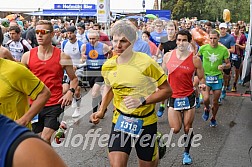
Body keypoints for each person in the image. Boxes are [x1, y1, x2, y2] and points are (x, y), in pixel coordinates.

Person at [90, 20, 172, 167]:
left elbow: (167, 91)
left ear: (133, 42)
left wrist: (142, 100)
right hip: (121, 121)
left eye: (123, 41)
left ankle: (157, 147)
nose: (118, 45)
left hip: (146, 122)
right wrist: (101, 110)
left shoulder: (146, 63)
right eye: (115, 41)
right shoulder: (109, 66)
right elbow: (109, 88)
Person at [21, 20, 78, 144]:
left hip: (55, 103)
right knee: (38, 142)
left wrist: (70, 92)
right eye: (37, 32)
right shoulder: (27, 56)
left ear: (52, 34)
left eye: (43, 32)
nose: (39, 35)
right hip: (34, 105)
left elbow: (74, 79)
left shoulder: (63, 57)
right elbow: (21, 82)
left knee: (45, 139)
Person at [163, 29, 206, 165]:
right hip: (173, 96)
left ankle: (186, 153)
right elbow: (162, 75)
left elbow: (201, 77)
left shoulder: (195, 59)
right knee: (175, 129)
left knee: (187, 128)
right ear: (176, 41)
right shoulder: (168, 56)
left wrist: (202, 85)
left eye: (184, 40)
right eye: (179, 40)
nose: (181, 43)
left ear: (189, 42)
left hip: (188, 96)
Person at [0, 114, 67, 167]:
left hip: (54, 105)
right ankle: (59, 127)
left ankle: (59, 130)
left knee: (44, 139)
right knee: (40, 137)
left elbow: (43, 95)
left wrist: (24, 120)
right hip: (37, 113)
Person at [199, 30, 231, 127]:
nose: (212, 41)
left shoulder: (223, 50)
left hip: (217, 78)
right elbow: (195, 59)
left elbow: (229, 64)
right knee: (206, 98)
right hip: (206, 77)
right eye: (211, 38)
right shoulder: (203, 48)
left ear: (218, 39)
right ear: (208, 39)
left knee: (215, 102)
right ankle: (207, 109)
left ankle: (213, 118)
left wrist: (224, 66)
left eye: (215, 38)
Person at [82, 30, 112, 115]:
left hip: (99, 72)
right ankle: (103, 104)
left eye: (93, 39)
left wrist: (107, 62)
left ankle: (95, 113)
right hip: (90, 72)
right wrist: (83, 58)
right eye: (90, 39)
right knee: (96, 93)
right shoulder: (85, 46)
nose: (91, 40)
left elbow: (110, 53)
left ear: (98, 39)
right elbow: (82, 59)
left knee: (94, 93)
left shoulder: (103, 46)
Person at [61, 26, 84, 118]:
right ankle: (74, 99)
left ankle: (77, 109)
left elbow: (83, 59)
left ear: (75, 33)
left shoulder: (81, 44)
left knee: (77, 90)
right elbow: (61, 55)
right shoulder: (64, 43)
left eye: (71, 33)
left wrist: (77, 65)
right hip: (67, 69)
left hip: (78, 69)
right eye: (68, 33)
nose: (69, 35)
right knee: (65, 90)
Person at [218, 23, 235, 101]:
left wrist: (223, 49)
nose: (222, 30)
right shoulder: (216, 37)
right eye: (221, 29)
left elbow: (233, 50)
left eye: (224, 29)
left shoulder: (230, 38)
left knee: (226, 77)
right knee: (219, 76)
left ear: (226, 29)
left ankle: (224, 88)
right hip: (218, 60)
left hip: (227, 60)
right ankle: (219, 92)